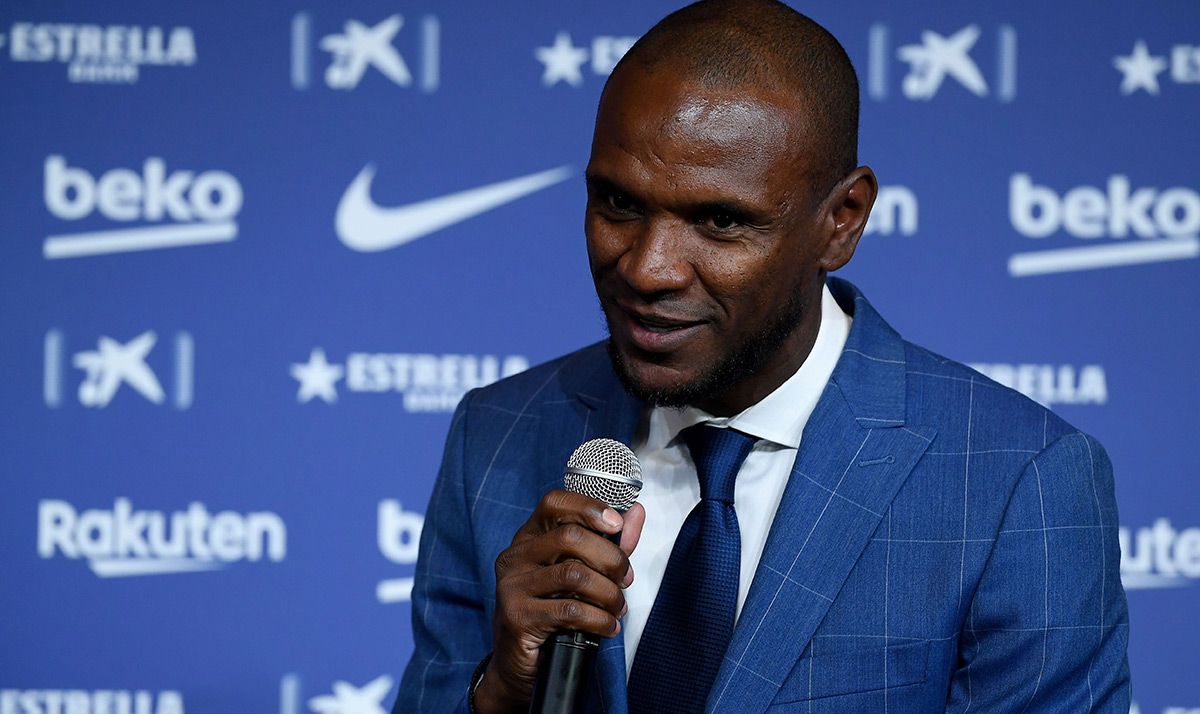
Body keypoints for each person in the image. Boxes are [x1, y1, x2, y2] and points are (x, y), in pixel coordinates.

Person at [394, 1, 1131, 711]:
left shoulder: (1020, 482)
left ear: (841, 223)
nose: (648, 268)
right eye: (618, 204)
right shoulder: (496, 434)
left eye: (719, 221)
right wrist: (498, 695)